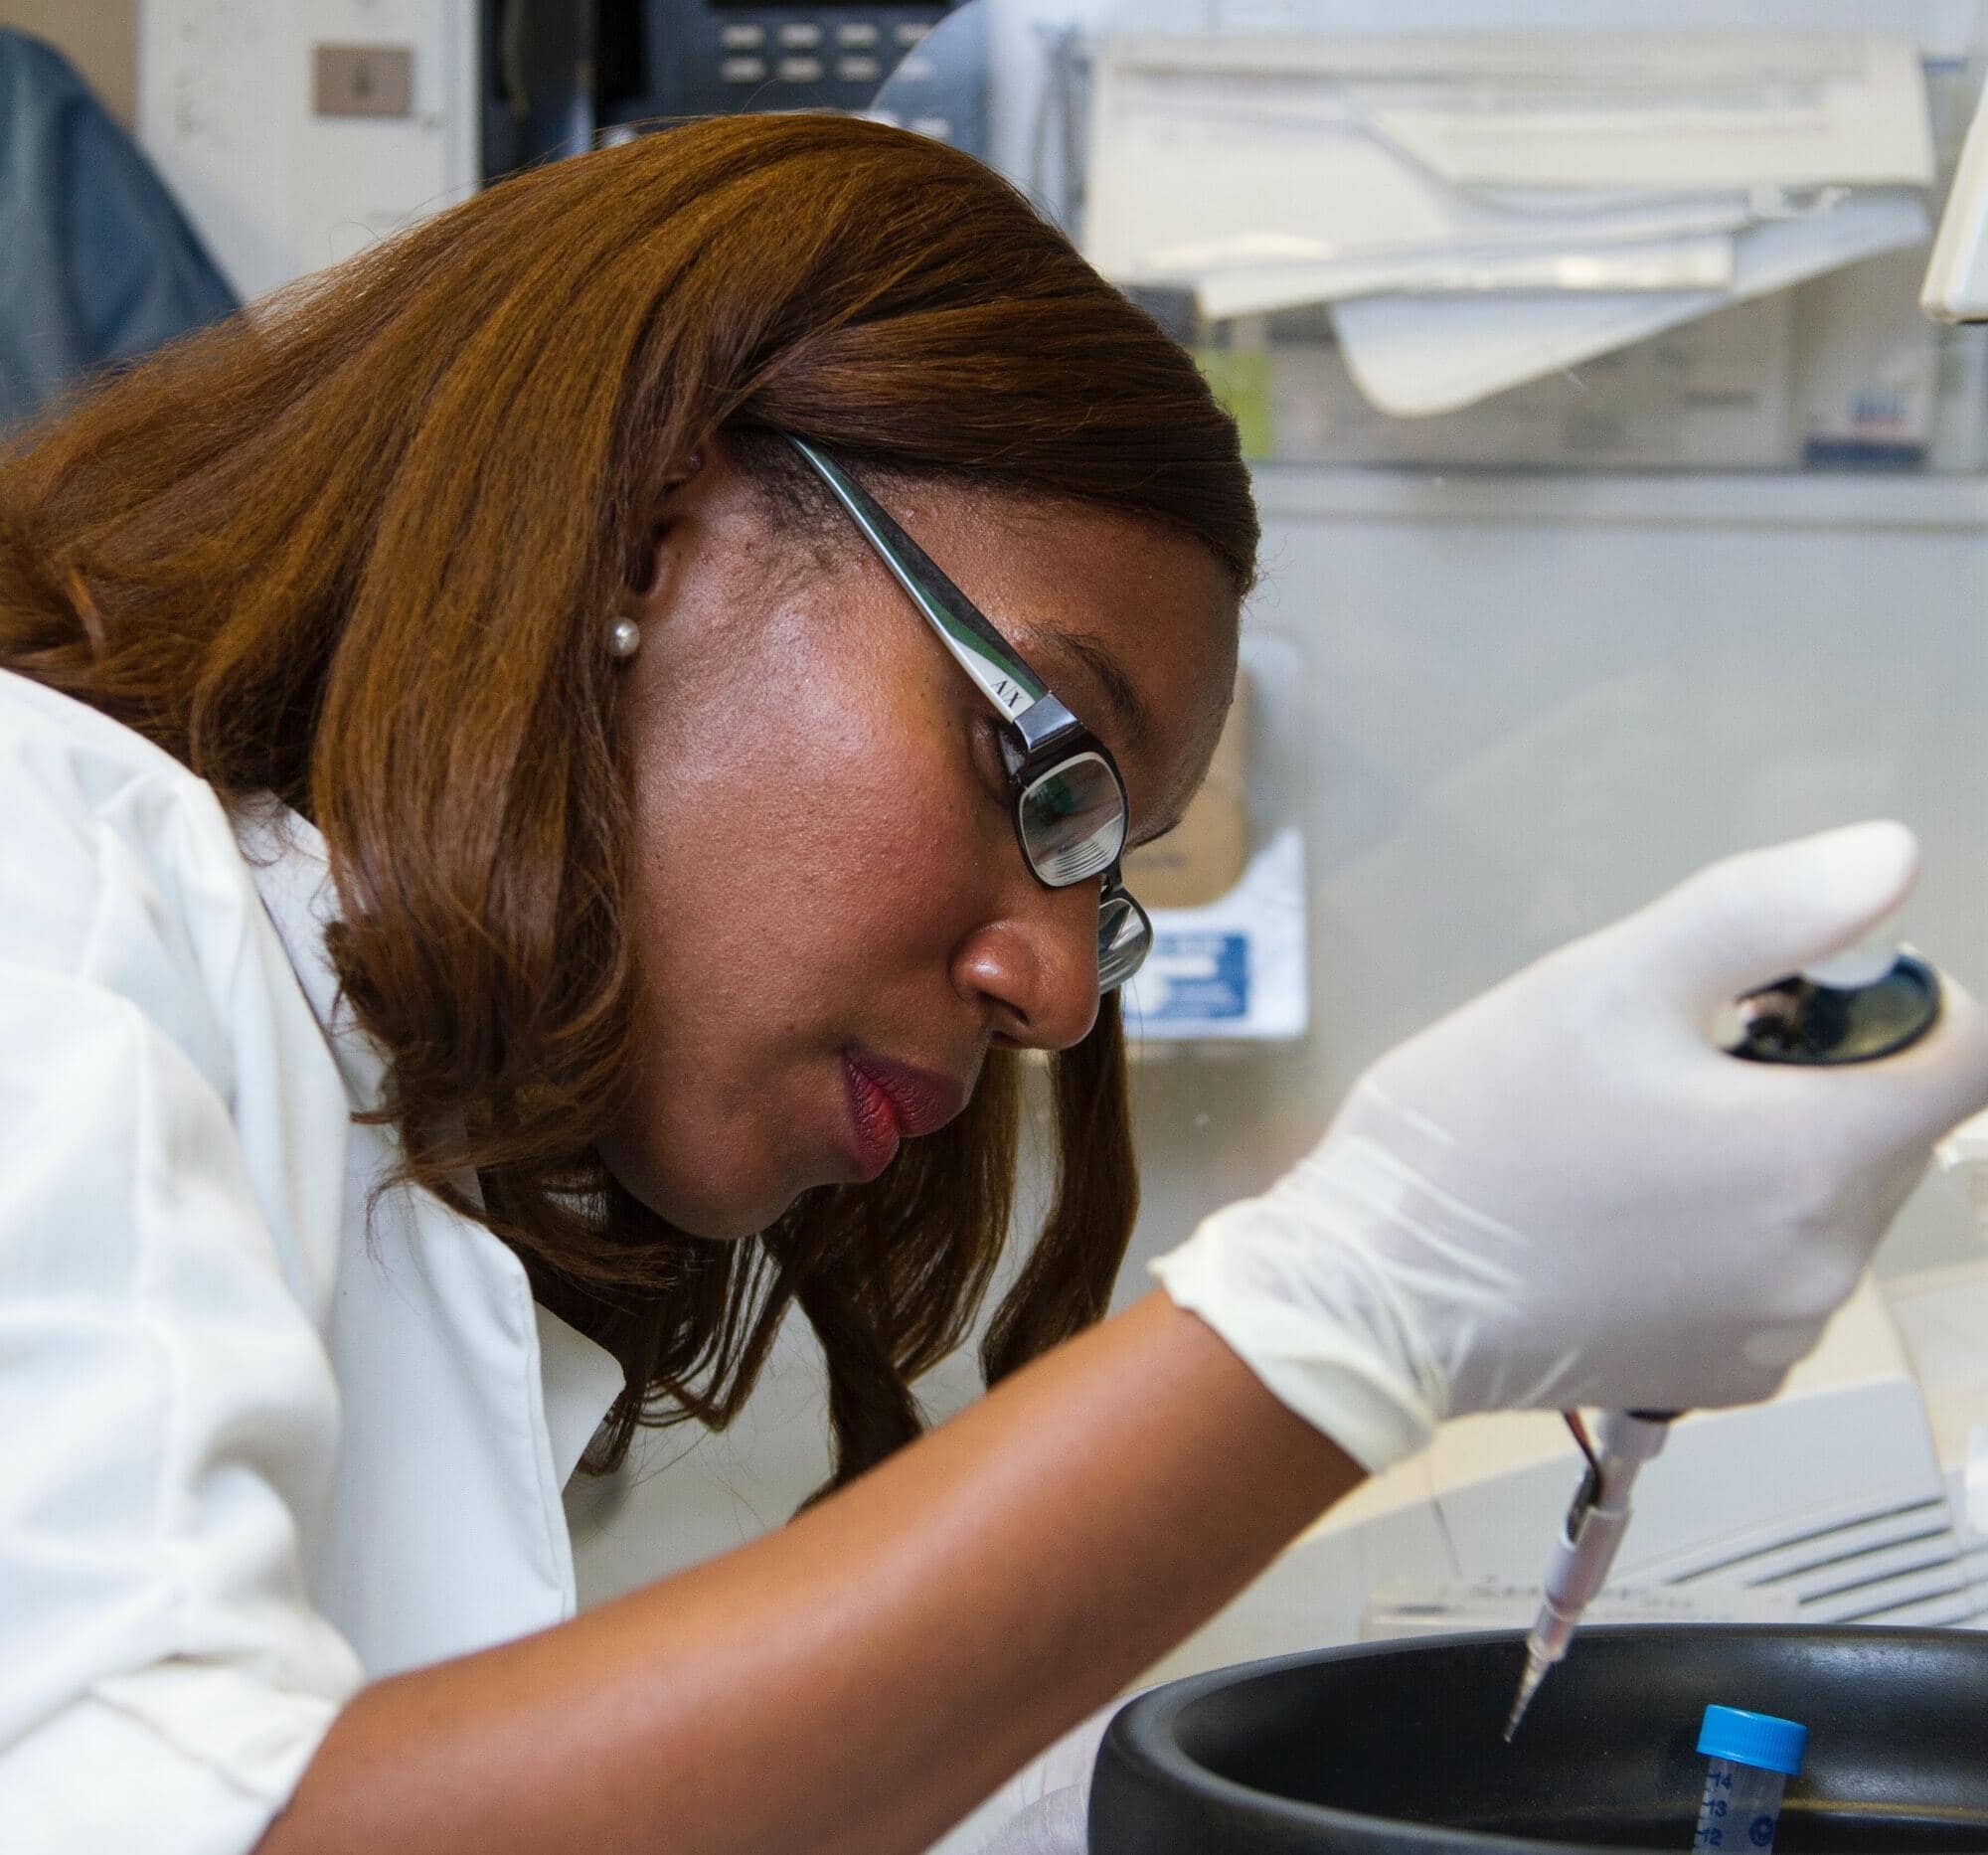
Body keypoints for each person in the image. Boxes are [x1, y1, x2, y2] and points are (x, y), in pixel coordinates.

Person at [0, 110, 1984, 1855]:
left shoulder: (368, 1152)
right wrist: (1355, 1308)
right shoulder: (43, 888)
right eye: (1044, 772)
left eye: (1105, 886)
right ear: (655, 527)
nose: (1052, 993)